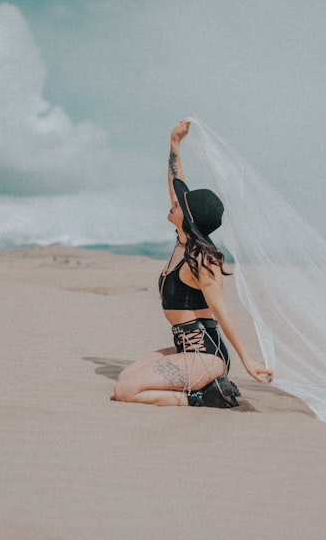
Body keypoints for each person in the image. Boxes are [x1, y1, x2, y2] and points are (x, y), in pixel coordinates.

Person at [113, 121, 273, 407]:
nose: (173, 203)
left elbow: (222, 311)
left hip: (206, 355)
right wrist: (175, 144)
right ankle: (205, 388)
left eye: (180, 206)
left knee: (126, 391)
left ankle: (204, 397)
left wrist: (247, 361)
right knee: (126, 375)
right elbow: (176, 184)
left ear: (189, 219)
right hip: (186, 347)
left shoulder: (203, 260)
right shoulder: (183, 241)